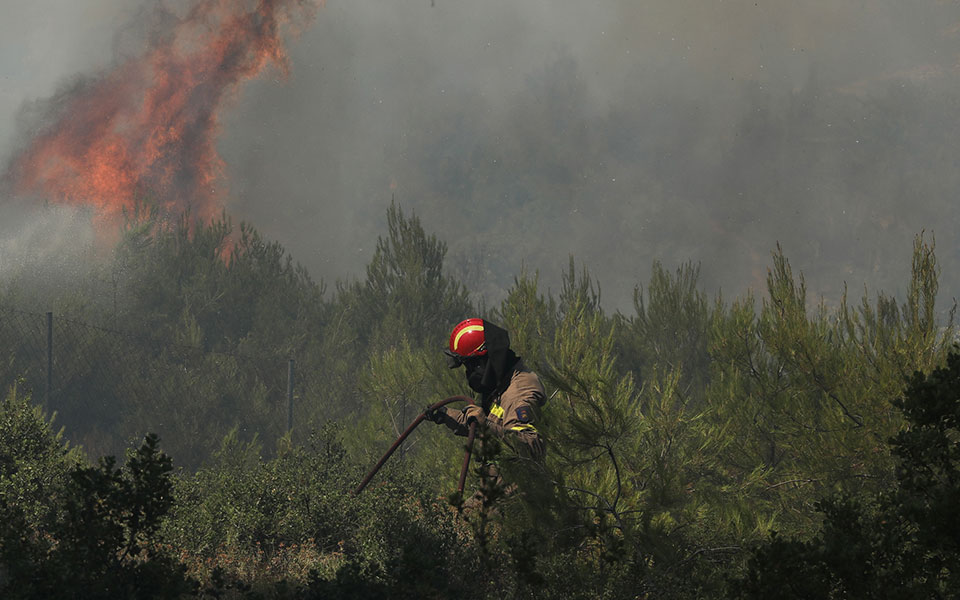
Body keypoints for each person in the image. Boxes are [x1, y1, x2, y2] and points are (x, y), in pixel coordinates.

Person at [424, 318, 546, 462]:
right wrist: (446, 415)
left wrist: (486, 425)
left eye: (469, 366)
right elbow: (488, 422)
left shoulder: (518, 394)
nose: (468, 373)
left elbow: (533, 447)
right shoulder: (500, 385)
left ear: (484, 360)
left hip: (521, 484)